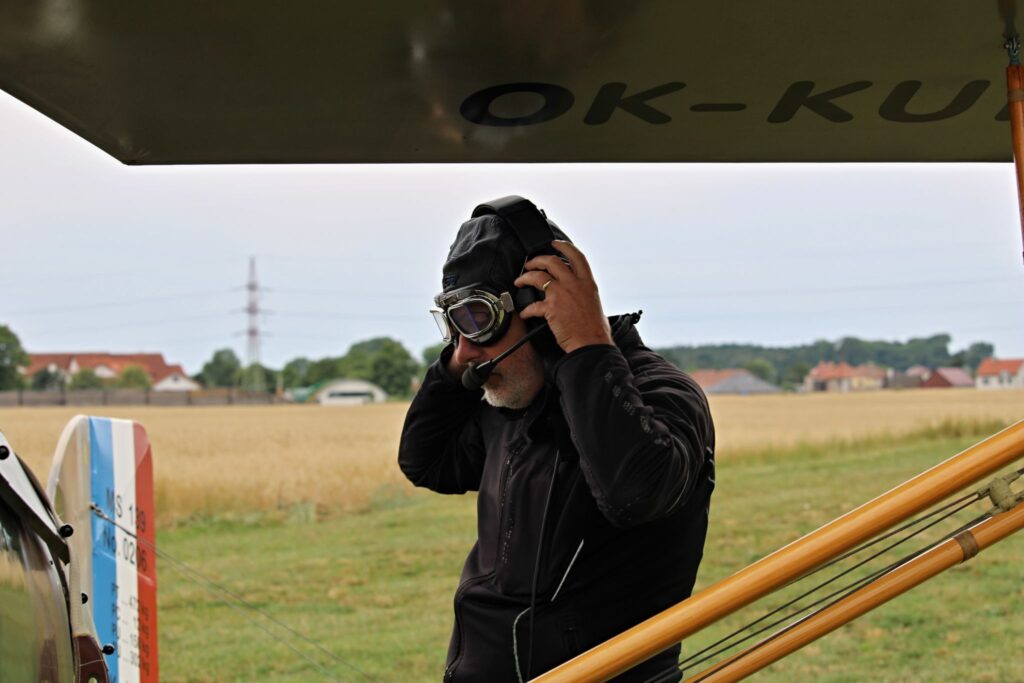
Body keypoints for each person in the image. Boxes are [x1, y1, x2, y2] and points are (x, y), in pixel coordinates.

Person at [399, 197, 716, 682]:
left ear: (542, 311)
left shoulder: (664, 393)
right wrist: (452, 368)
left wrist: (587, 347)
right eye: (455, 325)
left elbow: (635, 495)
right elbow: (426, 461)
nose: (466, 350)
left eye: (479, 320)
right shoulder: (514, 401)